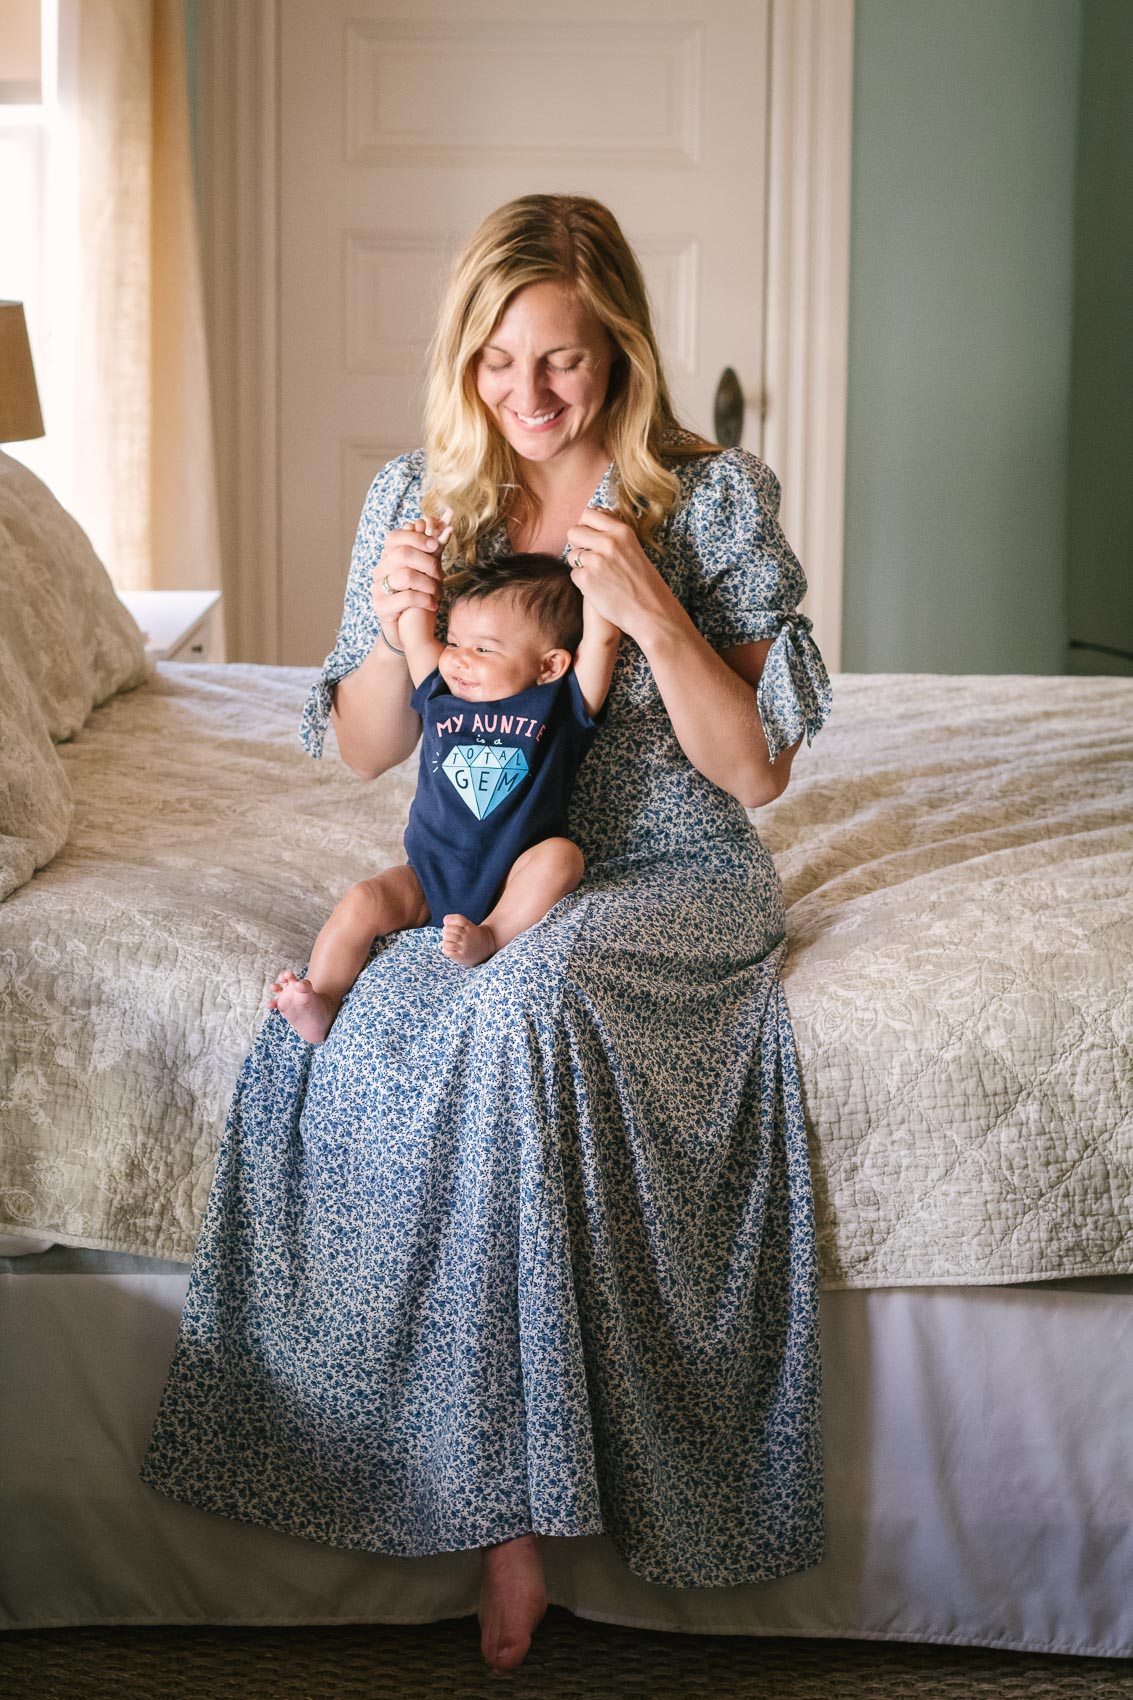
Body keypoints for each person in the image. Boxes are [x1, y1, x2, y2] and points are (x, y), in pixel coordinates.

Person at [139, 193, 834, 1677]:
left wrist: (647, 610)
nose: (529, 397)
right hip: (474, 867)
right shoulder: (424, 497)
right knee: (398, 1007)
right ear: (466, 359)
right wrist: (400, 625)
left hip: (661, 865)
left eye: (565, 364)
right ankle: (498, 1520)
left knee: (525, 996)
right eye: (500, 362)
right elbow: (365, 751)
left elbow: (758, 770)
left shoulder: (707, 500)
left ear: (623, 357)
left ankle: (541, 1511)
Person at [268, 547, 618, 1041]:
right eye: (454, 641)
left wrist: (597, 569)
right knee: (364, 899)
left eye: (483, 649)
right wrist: (421, 556)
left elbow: (603, 638)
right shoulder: (439, 690)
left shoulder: (561, 703)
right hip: (429, 875)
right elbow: (415, 630)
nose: (458, 658)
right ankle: (321, 997)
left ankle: (492, 934)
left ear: (549, 665)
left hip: (512, 879)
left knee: (563, 859)